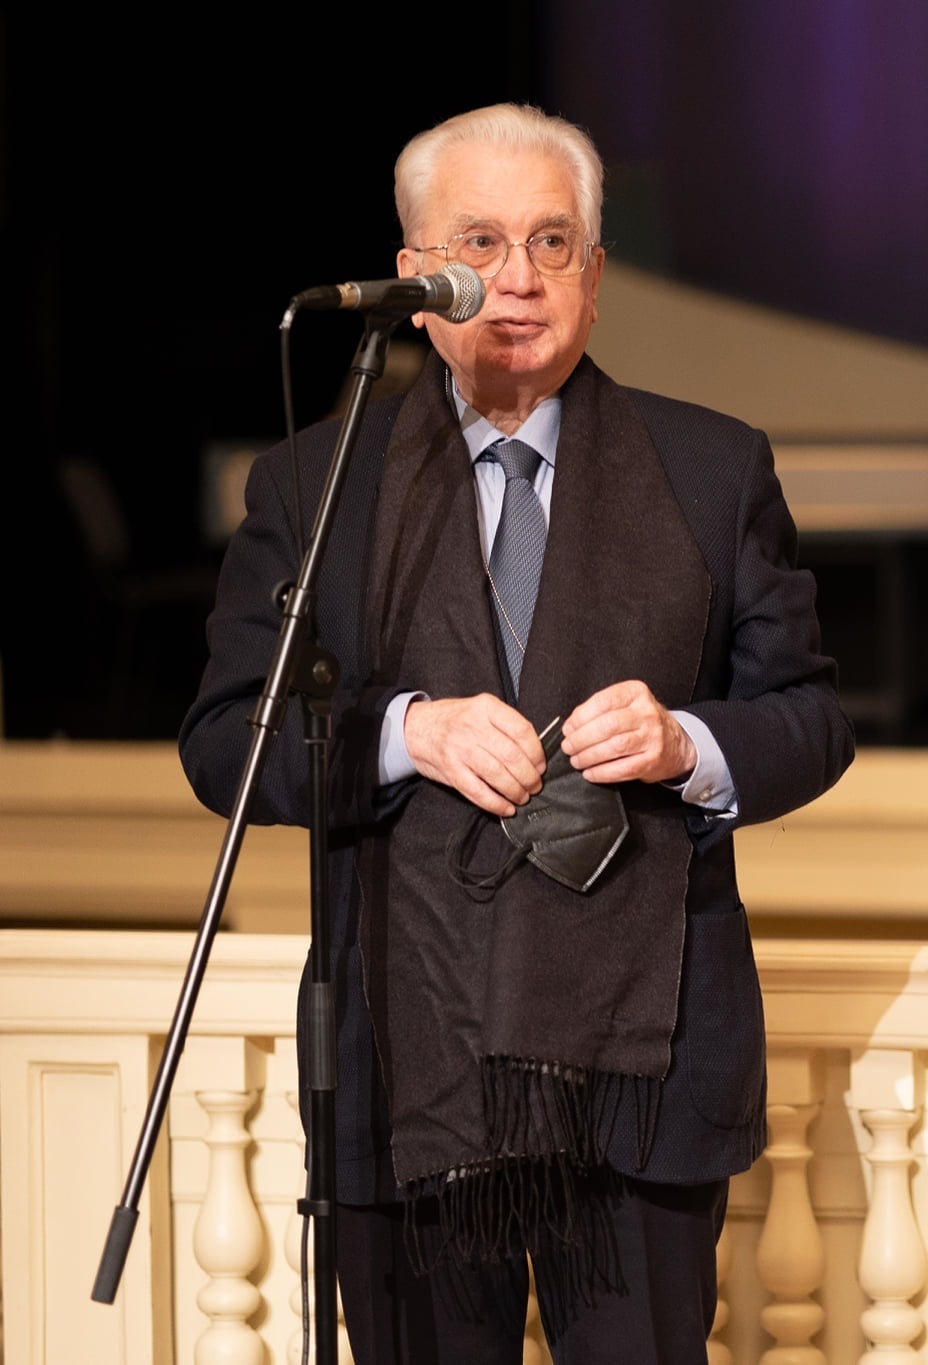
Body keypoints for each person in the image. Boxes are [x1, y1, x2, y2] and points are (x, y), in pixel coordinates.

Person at [180, 104, 854, 1363]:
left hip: (641, 1070)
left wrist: (685, 746)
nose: (520, 278)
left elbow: (810, 721)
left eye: (552, 243)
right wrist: (405, 734)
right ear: (413, 278)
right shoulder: (319, 483)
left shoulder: (712, 470)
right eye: (479, 243)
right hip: (403, 1062)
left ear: (595, 276)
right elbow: (226, 742)